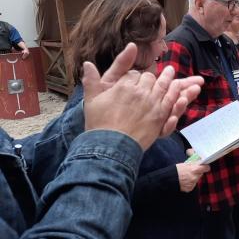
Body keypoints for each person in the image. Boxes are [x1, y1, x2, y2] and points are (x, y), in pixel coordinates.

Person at [25, 0, 208, 239]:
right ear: (131, 45)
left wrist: (183, 151)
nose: (165, 48)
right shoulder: (84, 116)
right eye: (159, 39)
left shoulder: (133, 92)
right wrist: (170, 179)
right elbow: (76, 202)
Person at [1, 43, 203, 238]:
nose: (166, 47)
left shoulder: (119, 98)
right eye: (159, 38)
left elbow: (16, 157)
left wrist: (86, 119)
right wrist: (108, 145)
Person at [158, 0, 239, 238]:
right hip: (210, 185)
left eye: (238, 3)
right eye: (228, 2)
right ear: (199, 4)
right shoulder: (177, 46)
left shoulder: (224, 43)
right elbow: (171, 116)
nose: (236, 11)